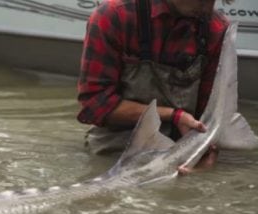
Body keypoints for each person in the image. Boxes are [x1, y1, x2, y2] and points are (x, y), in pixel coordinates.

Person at [77, 0, 235, 172]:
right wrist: (173, 115)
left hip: (178, 152)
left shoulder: (216, 28)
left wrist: (202, 155)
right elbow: (95, 106)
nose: (208, 6)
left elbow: (208, 118)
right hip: (113, 151)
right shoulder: (114, 15)